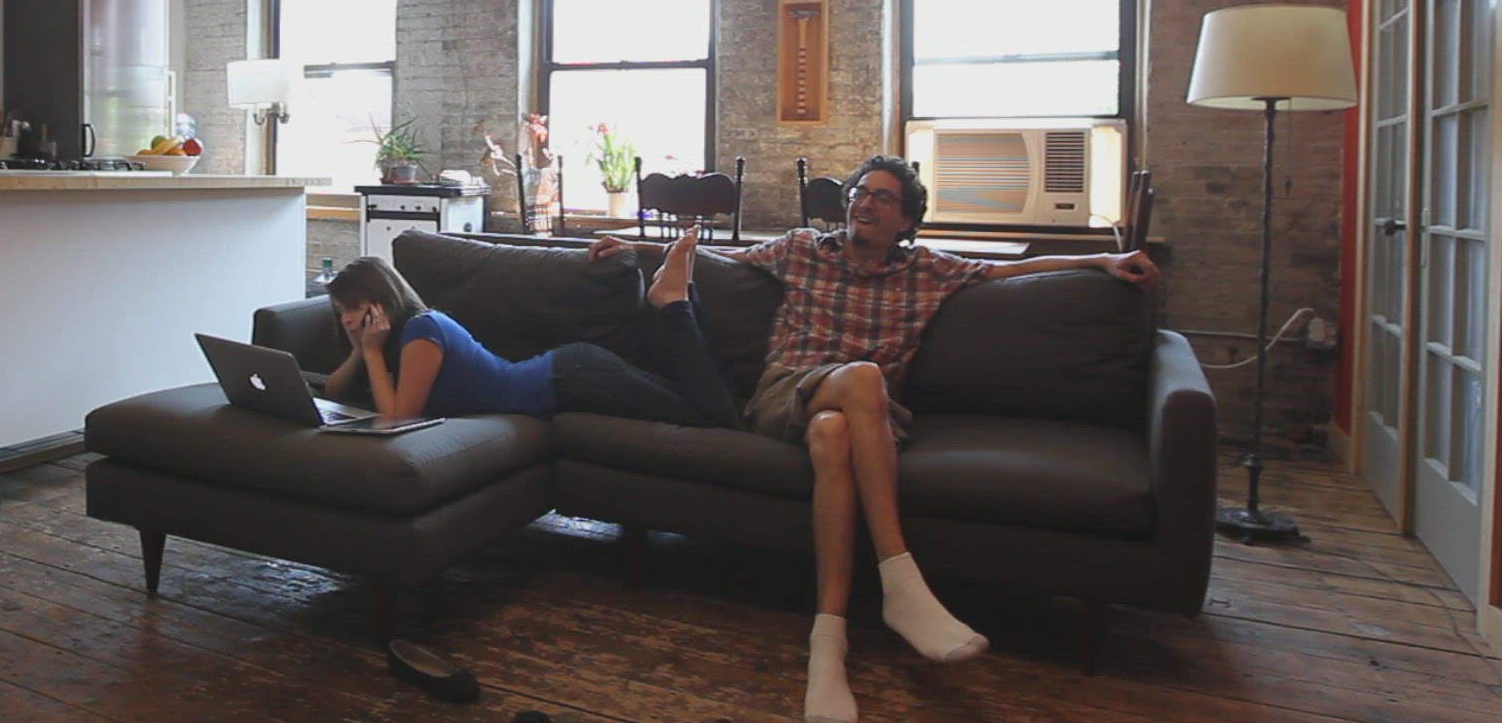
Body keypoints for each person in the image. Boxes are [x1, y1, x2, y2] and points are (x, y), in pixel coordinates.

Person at [591, 153, 1158, 723]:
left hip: (864, 417)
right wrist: (631, 249)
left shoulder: (928, 270)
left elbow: (1008, 271)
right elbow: (716, 259)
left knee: (835, 431)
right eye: (860, 192)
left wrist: (1103, 259)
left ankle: (827, 645)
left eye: (883, 197)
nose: (865, 202)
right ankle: (900, 580)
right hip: (785, 393)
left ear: (906, 220)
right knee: (863, 377)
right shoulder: (801, 248)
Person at [321, 228, 743, 428]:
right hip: (569, 374)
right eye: (340, 311)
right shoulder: (389, 340)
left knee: (716, 420)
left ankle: (675, 303)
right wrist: (360, 349)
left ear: (380, 301)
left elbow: (399, 419)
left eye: (351, 309)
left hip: (571, 379)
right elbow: (334, 391)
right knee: (709, 404)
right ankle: (680, 296)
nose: (346, 320)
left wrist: (371, 353)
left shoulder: (422, 331)